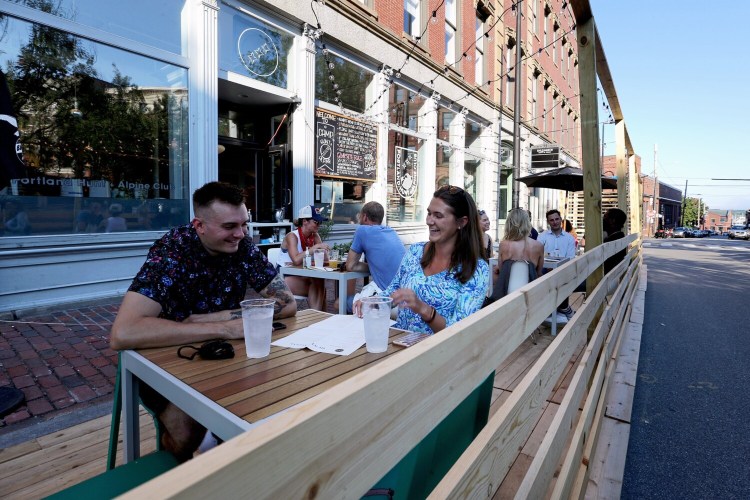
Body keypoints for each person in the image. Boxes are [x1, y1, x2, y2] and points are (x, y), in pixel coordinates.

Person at [110, 181, 297, 461]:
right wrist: (224, 327)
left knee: (273, 395)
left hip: (224, 352)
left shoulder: (243, 247)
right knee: (187, 434)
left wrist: (214, 319)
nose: (241, 234)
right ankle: (184, 470)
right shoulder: (172, 252)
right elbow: (123, 333)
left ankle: (223, 450)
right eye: (229, 227)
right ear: (199, 226)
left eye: (244, 224)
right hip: (165, 359)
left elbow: (288, 303)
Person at [355, 185, 489, 334]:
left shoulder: (477, 269)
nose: (429, 221)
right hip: (400, 345)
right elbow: (394, 290)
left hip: (437, 353)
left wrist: (424, 310)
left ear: (461, 222)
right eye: (429, 213)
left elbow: (460, 332)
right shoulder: (415, 251)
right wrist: (373, 302)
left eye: (438, 216)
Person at [337, 201, 405, 313]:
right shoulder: (391, 231)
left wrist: (373, 267)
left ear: (364, 217)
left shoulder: (362, 230)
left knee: (339, 303)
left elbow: (350, 265)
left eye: (359, 216)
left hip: (389, 300)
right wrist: (376, 267)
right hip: (405, 298)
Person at [277, 205, 329, 311]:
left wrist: (319, 250)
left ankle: (318, 317)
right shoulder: (292, 236)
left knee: (319, 282)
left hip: (301, 274)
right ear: (305, 221)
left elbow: (325, 260)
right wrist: (314, 248)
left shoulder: (314, 236)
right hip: (283, 277)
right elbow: (296, 260)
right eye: (316, 222)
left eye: (320, 222)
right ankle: (318, 317)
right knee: (318, 285)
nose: (319, 225)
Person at [488, 208, 545, 302]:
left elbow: (503, 271)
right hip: (530, 294)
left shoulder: (503, 245)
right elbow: (538, 273)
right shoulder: (538, 246)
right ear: (527, 223)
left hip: (506, 294)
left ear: (509, 224)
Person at [538, 209, 576, 321]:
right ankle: (562, 309)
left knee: (561, 277)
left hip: (563, 270)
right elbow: (538, 255)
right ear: (548, 222)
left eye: (556, 219)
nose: (554, 222)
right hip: (545, 270)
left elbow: (570, 259)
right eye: (551, 220)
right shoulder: (542, 237)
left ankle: (560, 308)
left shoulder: (569, 238)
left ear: (560, 219)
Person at [603, 208, 627, 274]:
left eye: (605, 217)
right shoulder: (620, 236)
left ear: (612, 221)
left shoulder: (612, 240)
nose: (602, 219)